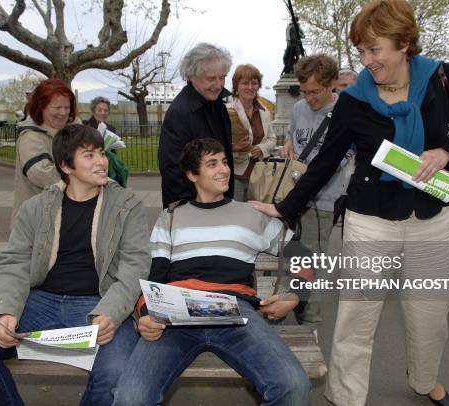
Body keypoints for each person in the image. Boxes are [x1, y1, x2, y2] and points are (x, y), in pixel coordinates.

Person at [251, 1, 449, 405]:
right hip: (370, 220)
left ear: (404, 43)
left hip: (433, 218)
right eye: (360, 51)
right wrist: (284, 207)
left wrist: (445, 153)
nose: (366, 60)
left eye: (374, 50)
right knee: (356, 319)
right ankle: (346, 397)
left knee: (429, 318)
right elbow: (324, 161)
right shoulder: (355, 99)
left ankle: (425, 381)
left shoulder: (444, 78)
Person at [0, 124, 151, 406]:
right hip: (40, 301)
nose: (102, 162)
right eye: (89, 155)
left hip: (98, 303)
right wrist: (2, 312)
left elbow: (135, 266)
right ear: (66, 166)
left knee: (117, 371)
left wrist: (110, 313)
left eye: (102, 153)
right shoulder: (36, 208)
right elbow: (13, 263)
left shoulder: (128, 206)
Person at [112, 139, 311, 406]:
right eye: (212, 164)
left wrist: (295, 295)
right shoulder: (170, 217)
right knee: (130, 399)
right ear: (192, 175)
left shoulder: (251, 214)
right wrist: (146, 316)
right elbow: (154, 276)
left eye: (225, 162)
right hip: (176, 313)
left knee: (292, 385)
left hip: (234, 311)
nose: (224, 170)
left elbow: (307, 257)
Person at [278, 54, 355, 326]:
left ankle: (309, 315)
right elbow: (292, 134)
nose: (309, 98)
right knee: (294, 253)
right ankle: (298, 302)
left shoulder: (344, 111)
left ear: (331, 84)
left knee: (312, 258)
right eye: (305, 92)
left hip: (322, 199)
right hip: (293, 195)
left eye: (315, 92)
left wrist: (319, 171)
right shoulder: (299, 108)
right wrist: (288, 144)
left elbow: (346, 153)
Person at [158, 43, 235, 207]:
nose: (219, 85)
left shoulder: (217, 105)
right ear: (192, 76)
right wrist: (191, 209)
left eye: (222, 77)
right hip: (194, 208)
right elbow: (173, 170)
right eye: (211, 78)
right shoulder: (180, 113)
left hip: (216, 201)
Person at [12, 79, 80, 219]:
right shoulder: (30, 137)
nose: (63, 113)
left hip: (67, 217)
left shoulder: (75, 130)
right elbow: (41, 174)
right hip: (36, 223)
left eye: (67, 107)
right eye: (57, 108)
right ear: (41, 107)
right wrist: (82, 175)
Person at [227, 64, 277, 201]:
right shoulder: (227, 111)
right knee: (236, 215)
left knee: (255, 215)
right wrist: (233, 147)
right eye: (245, 83)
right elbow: (216, 142)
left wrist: (261, 148)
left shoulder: (264, 111)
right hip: (234, 173)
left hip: (258, 174)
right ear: (236, 86)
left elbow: (272, 139)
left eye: (254, 83)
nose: (250, 87)